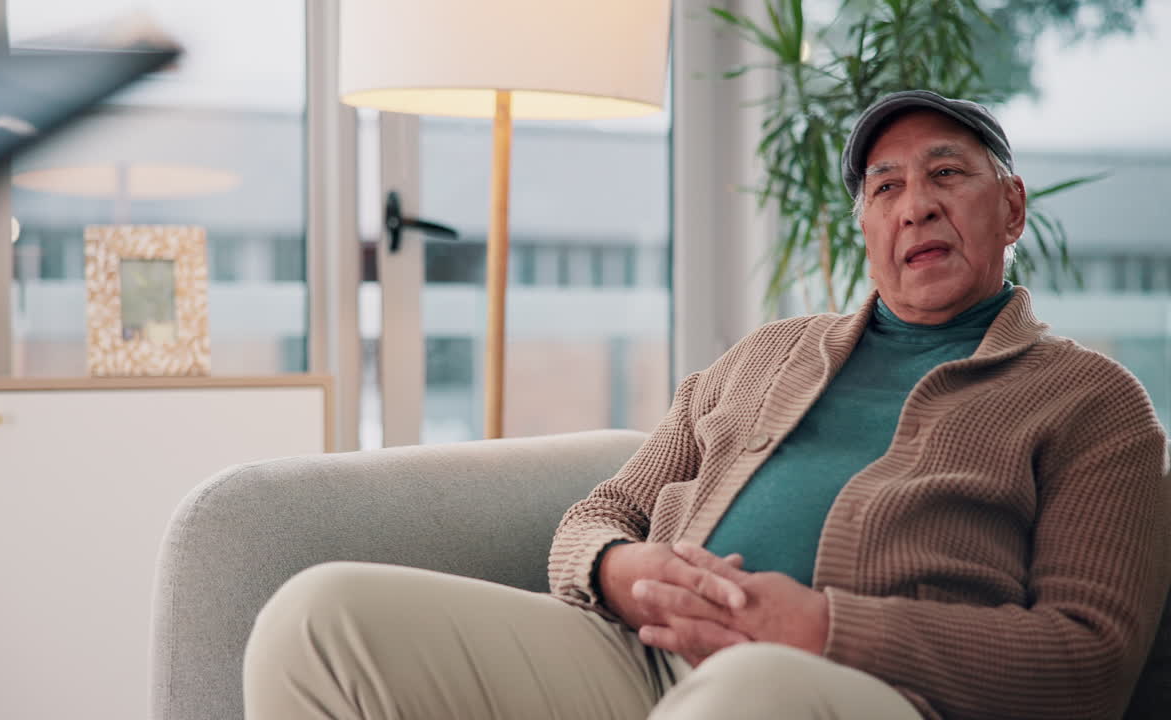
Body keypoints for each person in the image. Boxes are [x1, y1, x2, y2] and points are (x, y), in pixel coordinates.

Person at [242, 90, 1170, 720]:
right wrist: (617, 570)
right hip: (641, 658)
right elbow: (598, 512)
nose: (915, 207)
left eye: (947, 175)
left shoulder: (1091, 400)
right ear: (864, 230)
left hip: (854, 688)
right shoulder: (766, 354)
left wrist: (824, 629)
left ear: (1011, 209)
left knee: (752, 692)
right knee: (317, 620)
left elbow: (1090, 658)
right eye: (886, 188)